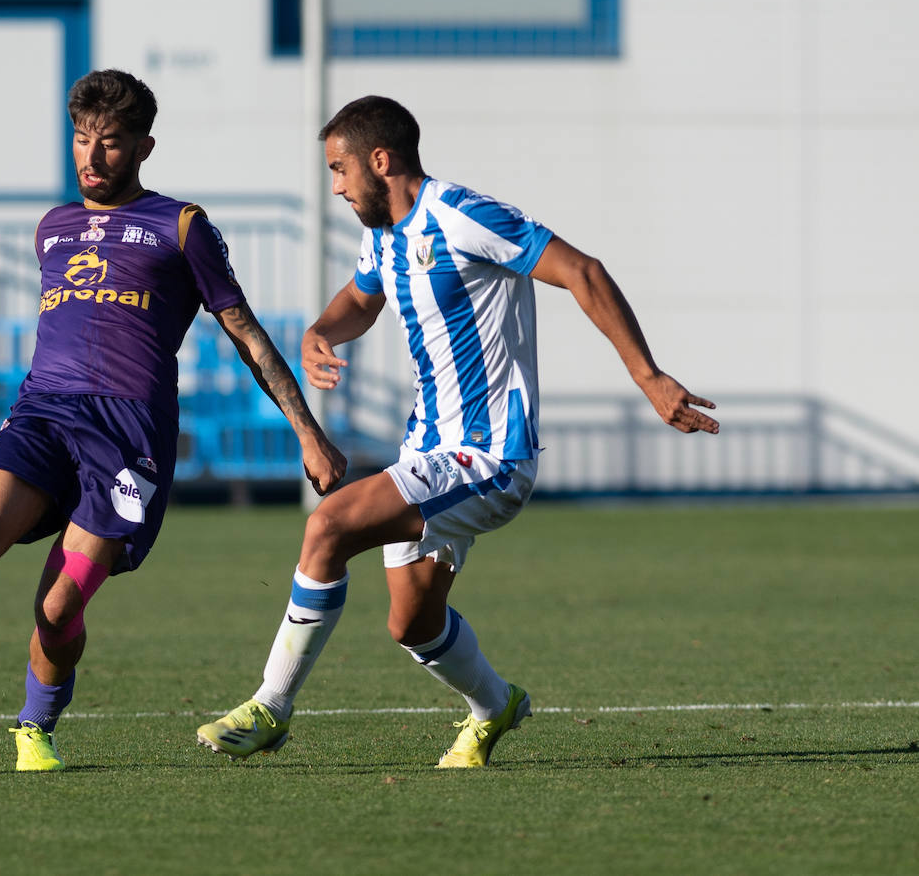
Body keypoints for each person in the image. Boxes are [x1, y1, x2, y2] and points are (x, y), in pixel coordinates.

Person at [0, 69, 346, 771]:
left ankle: (35, 725)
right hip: (44, 412)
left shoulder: (182, 226)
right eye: (82, 139)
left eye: (110, 143)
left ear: (144, 147)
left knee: (57, 610)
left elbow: (246, 333)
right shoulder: (52, 228)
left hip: (127, 436)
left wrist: (308, 430)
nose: (91, 156)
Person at [196, 96, 718, 768]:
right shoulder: (381, 230)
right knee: (411, 624)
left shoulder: (463, 215)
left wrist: (649, 378)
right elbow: (362, 297)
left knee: (328, 525)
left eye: (339, 169)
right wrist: (321, 330)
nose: (335, 186)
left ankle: (271, 704)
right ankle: (493, 706)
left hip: (490, 455)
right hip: (430, 450)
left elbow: (582, 271)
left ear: (380, 161)